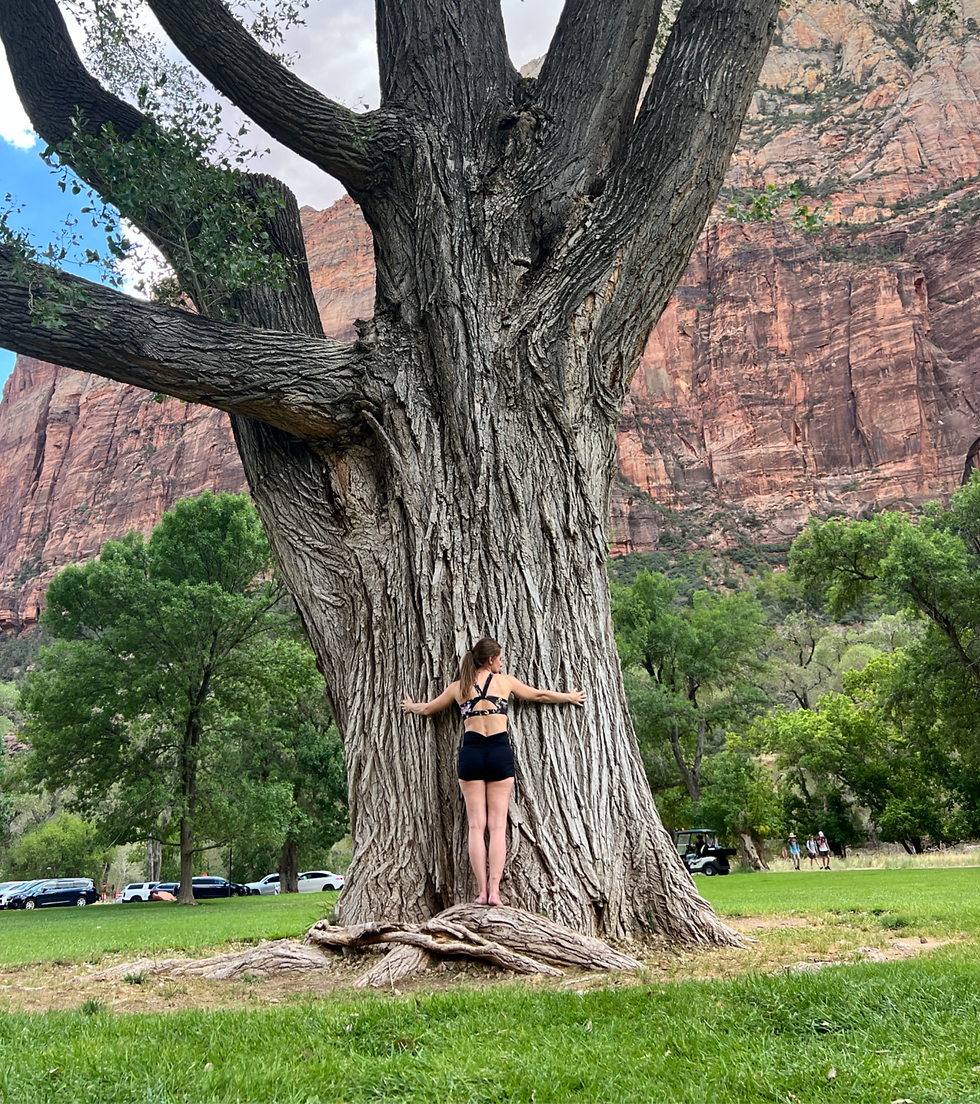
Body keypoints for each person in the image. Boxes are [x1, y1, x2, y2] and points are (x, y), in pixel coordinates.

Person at [402, 637, 585, 907]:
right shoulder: (504, 683)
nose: (502, 662)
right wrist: (569, 697)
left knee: (477, 826)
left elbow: (428, 709)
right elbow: (540, 695)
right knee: (498, 826)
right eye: (499, 658)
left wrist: (411, 707)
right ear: (490, 660)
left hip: (472, 754)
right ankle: (495, 892)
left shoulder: (459, 688)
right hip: (499, 752)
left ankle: (481, 892)